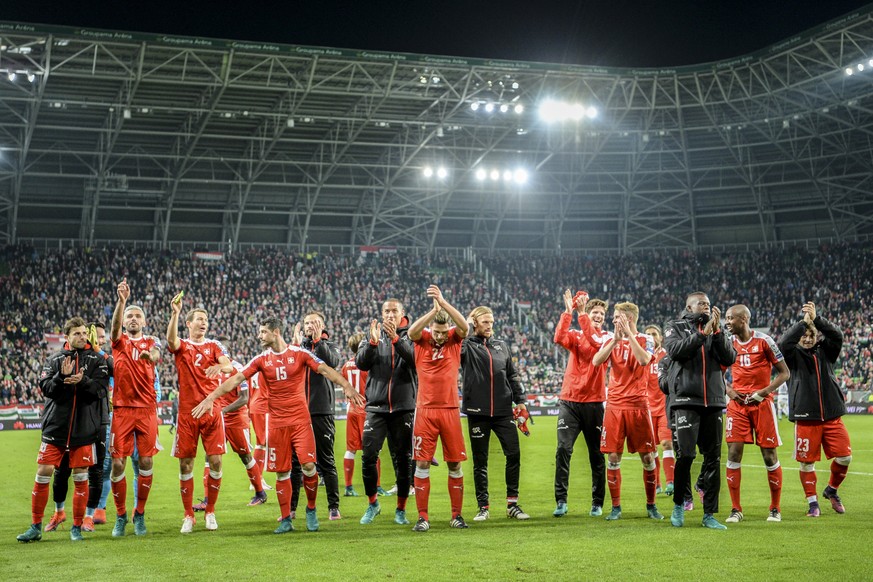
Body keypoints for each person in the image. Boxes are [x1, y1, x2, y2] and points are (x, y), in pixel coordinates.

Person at [191, 316, 364, 534]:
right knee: (282, 473)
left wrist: (347, 386)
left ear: (276, 333)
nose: (259, 336)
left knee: (310, 467)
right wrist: (210, 398)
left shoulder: (299, 354)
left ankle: (310, 509)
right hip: (277, 424)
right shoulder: (261, 359)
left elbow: (325, 369)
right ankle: (285, 519)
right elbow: (236, 380)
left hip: (301, 421)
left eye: (263, 332)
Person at [17, 317, 110, 542]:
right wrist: (61, 377)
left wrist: (83, 381)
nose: (81, 337)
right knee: (43, 473)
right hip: (55, 429)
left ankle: (76, 527)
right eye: (76, 334)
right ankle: (35, 526)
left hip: (84, 429)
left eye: (83, 333)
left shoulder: (98, 361)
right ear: (66, 337)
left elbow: (100, 390)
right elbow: (46, 389)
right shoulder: (54, 359)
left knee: (80, 476)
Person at [662, 292, 735, 529]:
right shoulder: (675, 326)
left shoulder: (715, 329)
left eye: (709, 303)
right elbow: (675, 351)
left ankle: (709, 514)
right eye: (701, 303)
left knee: (713, 458)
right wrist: (701, 334)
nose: (706, 306)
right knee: (686, 455)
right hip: (685, 400)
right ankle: (679, 503)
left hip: (713, 401)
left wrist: (717, 332)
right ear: (689, 306)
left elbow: (729, 357)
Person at [167, 297, 234, 533]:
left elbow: (229, 366)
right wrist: (175, 313)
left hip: (212, 410)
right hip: (187, 413)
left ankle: (211, 511)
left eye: (206, 320)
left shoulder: (215, 346)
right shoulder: (183, 346)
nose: (203, 323)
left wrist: (220, 367)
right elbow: (171, 341)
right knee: (186, 464)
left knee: (215, 461)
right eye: (199, 319)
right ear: (188, 323)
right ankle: (188, 515)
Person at [778, 302, 852, 517]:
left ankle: (831, 490)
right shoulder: (792, 356)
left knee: (845, 457)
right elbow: (784, 341)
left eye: (812, 335)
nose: (808, 339)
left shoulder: (827, 352)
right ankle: (812, 503)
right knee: (806, 462)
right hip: (805, 417)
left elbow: (836, 335)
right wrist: (803, 323)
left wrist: (817, 320)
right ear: (800, 336)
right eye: (805, 336)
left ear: (817, 336)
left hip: (832, 416)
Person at [407, 285, 469, 532]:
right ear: (431, 328)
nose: (441, 336)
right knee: (422, 464)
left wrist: (443, 303)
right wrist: (433, 312)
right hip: (424, 410)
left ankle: (456, 515)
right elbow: (411, 331)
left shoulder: (455, 339)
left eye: (444, 332)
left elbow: (465, 326)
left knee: (455, 464)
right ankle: (422, 517)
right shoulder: (421, 340)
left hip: (450, 409)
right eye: (437, 332)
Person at [592, 302, 661, 521]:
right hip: (614, 406)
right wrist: (614, 339)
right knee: (613, 456)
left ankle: (651, 505)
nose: (613, 320)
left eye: (617, 317)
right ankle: (615, 507)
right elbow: (596, 362)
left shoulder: (646, 340)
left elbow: (643, 360)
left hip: (638, 406)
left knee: (648, 457)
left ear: (629, 318)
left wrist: (629, 335)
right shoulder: (608, 339)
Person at [723, 304, 791, 524]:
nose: (727, 322)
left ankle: (775, 508)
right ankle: (736, 509)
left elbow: (785, 373)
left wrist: (763, 393)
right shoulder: (728, 343)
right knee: (733, 453)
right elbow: (716, 373)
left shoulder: (764, 341)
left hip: (762, 405)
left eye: (730, 318)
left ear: (743, 319)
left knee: (769, 456)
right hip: (737, 405)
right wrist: (731, 391)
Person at [461, 305, 529, 522]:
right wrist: (467, 327)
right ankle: (483, 506)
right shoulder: (466, 346)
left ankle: (512, 504)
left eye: (491, 322)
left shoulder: (501, 346)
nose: (490, 326)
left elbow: (513, 375)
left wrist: (521, 401)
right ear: (474, 323)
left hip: (503, 411)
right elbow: (458, 336)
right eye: (485, 322)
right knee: (480, 461)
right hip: (477, 412)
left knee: (514, 455)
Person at [45, 321, 113, 534]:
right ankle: (62, 513)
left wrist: (98, 349)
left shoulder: (101, 357)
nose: (96, 340)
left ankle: (90, 516)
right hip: (79, 421)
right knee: (63, 470)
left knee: (97, 471)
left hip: (100, 419)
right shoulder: (63, 358)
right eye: (95, 336)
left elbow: (113, 373)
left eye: (101, 337)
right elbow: (49, 388)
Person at [108, 278, 162, 537]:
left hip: (147, 410)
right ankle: (120, 516)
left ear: (144, 322)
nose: (132, 319)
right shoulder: (118, 342)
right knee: (117, 464)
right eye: (129, 315)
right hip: (121, 409)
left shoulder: (151, 341)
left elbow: (157, 355)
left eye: (137, 316)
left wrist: (148, 357)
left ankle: (139, 514)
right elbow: (115, 326)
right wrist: (122, 302)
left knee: (146, 460)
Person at [356, 298, 417, 526]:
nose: (390, 314)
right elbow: (361, 364)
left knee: (403, 460)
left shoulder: (412, 335)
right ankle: (373, 504)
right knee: (368, 456)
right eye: (386, 311)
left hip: (403, 407)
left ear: (402, 313)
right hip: (376, 407)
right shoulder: (373, 334)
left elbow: (415, 360)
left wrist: (395, 339)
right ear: (382, 314)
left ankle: (401, 509)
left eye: (394, 311)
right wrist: (372, 344)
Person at [552, 290, 609, 517]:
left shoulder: (607, 337)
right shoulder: (575, 335)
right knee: (563, 450)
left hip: (595, 403)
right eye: (595, 312)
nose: (598, 316)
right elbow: (558, 338)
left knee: (597, 454)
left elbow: (595, 344)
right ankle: (561, 501)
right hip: (570, 401)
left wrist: (582, 314)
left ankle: (597, 502)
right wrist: (568, 312)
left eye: (601, 314)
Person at [193, 336, 267, 511]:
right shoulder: (211, 370)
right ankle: (206, 499)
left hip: (236, 420)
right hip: (218, 419)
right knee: (210, 457)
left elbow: (244, 399)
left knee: (245, 456)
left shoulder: (238, 369)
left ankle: (260, 493)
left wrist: (223, 411)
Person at [290, 312, 343, 521]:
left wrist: (318, 340)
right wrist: (294, 348)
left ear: (322, 325)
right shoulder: (298, 348)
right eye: (306, 323)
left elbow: (331, 364)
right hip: (299, 412)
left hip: (322, 411)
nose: (309, 325)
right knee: (295, 462)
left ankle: (333, 507)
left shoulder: (330, 346)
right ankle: (292, 508)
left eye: (314, 322)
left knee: (326, 460)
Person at [340, 332, 384, 498]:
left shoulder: (346, 366)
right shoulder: (367, 365)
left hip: (351, 410)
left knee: (350, 450)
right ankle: (377, 486)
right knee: (373, 451)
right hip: (366, 409)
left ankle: (349, 487)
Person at [644, 324, 673, 496]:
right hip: (646, 409)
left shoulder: (668, 356)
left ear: (661, 337)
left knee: (666, 443)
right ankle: (656, 484)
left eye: (654, 334)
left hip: (664, 407)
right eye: (647, 334)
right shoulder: (642, 356)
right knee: (650, 448)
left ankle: (671, 482)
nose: (651, 337)